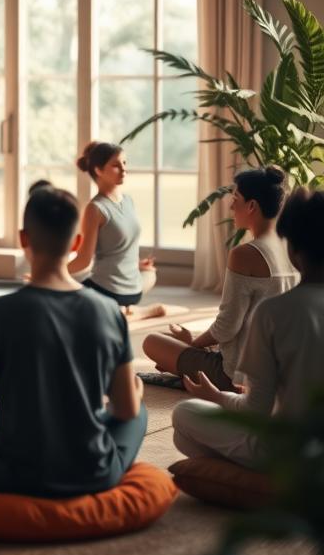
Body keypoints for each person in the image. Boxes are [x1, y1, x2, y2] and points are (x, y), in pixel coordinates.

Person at [0, 184, 146, 497]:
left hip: (11, 476)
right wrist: (134, 392)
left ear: (24, 240)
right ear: (77, 242)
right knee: (140, 413)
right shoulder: (109, 311)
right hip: (94, 473)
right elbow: (126, 410)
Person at [172, 185, 324, 468]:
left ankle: (267, 482)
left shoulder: (274, 312)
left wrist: (215, 396)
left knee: (184, 415)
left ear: (292, 247)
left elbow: (256, 411)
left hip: (288, 450)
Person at [143, 167, 297, 391]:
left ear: (252, 206)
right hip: (280, 370)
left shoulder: (246, 254)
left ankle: (193, 372)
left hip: (237, 375)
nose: (231, 206)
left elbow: (227, 327)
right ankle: (189, 362)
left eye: (236, 198)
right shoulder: (292, 248)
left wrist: (194, 343)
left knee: (151, 342)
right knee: (174, 339)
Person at [68, 140, 164, 319]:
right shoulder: (101, 207)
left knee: (60, 297)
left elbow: (83, 260)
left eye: (124, 163)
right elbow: (88, 260)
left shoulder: (108, 205)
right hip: (130, 291)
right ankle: (128, 310)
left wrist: (53, 273)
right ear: (98, 170)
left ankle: (124, 312)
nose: (123, 169)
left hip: (106, 290)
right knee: (149, 277)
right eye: (116, 165)